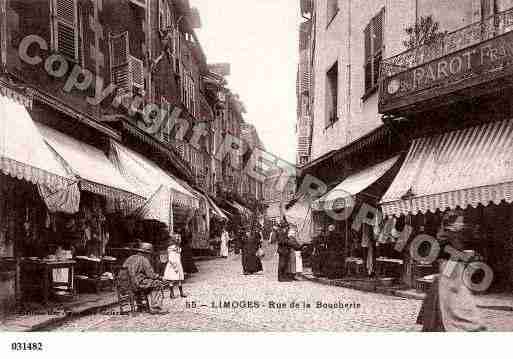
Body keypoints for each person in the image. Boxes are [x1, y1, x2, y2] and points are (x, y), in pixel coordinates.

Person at [417, 210, 486, 332]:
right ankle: (462, 323)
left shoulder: (456, 235)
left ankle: (441, 323)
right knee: (451, 296)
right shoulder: (445, 236)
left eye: (462, 221)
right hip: (449, 267)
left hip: (456, 268)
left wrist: (466, 255)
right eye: (459, 222)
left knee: (451, 297)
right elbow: (445, 254)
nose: (462, 224)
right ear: (451, 224)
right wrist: (463, 255)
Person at [122, 242, 167, 315]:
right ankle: (156, 308)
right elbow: (151, 274)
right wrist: (161, 278)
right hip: (137, 284)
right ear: (147, 253)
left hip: (125, 285)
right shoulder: (144, 259)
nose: (150, 256)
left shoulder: (130, 258)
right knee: (157, 284)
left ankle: (140, 306)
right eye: (150, 254)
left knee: (144, 282)